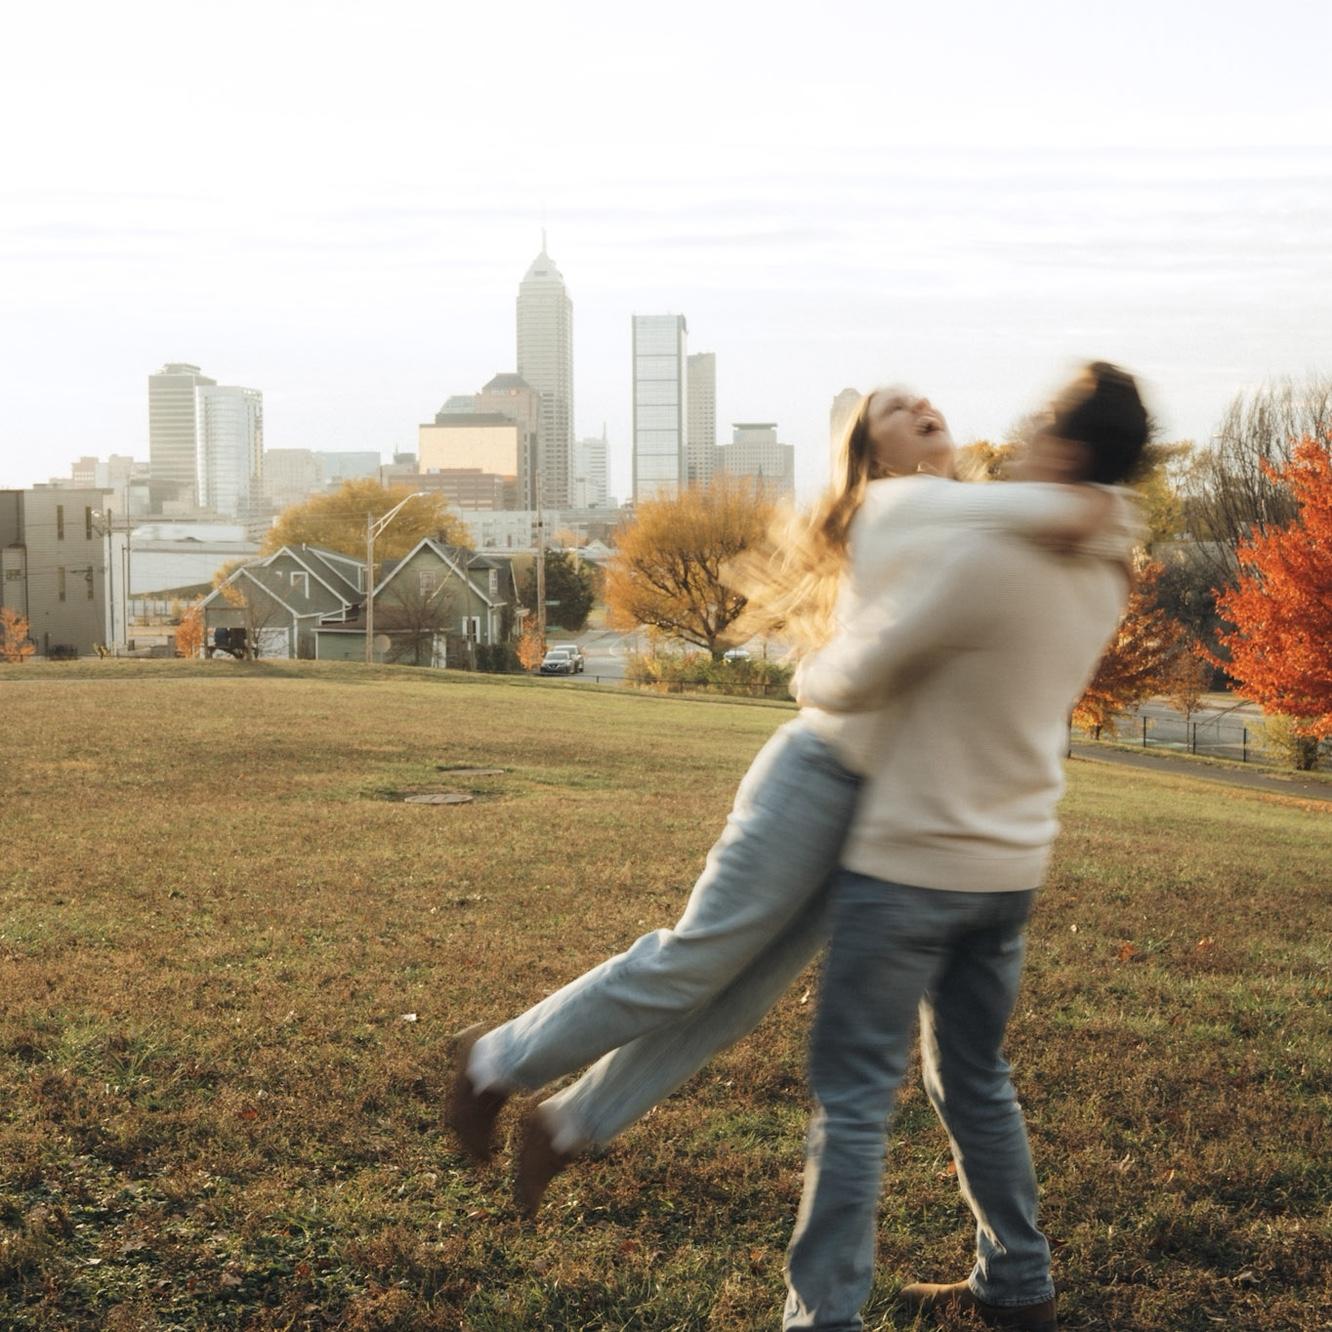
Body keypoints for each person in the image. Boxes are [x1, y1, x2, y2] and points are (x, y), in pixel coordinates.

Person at [446, 384, 1132, 1216]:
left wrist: (1090, 516)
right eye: (895, 408)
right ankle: (492, 1064)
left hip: (891, 813)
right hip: (819, 777)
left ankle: (566, 1127)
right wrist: (1101, 506)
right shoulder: (899, 507)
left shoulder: (976, 517)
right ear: (871, 454)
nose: (923, 405)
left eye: (926, 397)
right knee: (694, 960)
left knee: (737, 1000)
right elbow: (1047, 515)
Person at [781, 362, 1150, 1332]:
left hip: (912, 861)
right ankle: (1016, 1281)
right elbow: (1099, 514)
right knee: (975, 1077)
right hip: (1011, 867)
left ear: (1065, 449)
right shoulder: (1110, 555)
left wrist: (809, 673)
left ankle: (820, 1319)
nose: (1015, 441)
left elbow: (860, 677)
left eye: (1038, 428)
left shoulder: (990, 558)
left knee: (855, 1098)